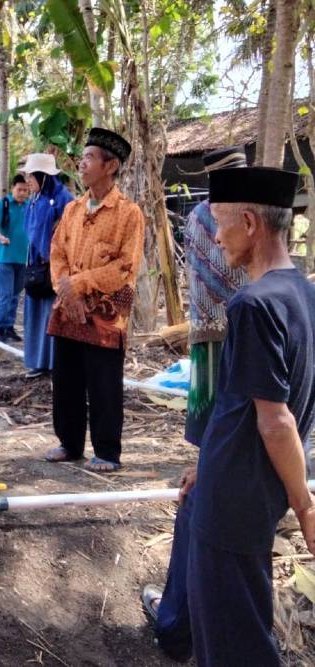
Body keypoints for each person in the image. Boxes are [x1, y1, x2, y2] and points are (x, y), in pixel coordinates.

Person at [142, 166, 315, 666]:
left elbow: (275, 420)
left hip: (236, 501)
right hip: (240, 486)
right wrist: (209, 466)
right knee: (226, 619)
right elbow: (245, 408)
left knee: (236, 642)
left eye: (219, 224)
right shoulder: (301, 295)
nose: (215, 238)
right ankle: (172, 629)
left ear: (249, 222)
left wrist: (304, 506)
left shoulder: (253, 305)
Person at [44, 128, 145, 473]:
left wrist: (80, 284)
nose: (82, 164)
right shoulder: (72, 210)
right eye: (83, 157)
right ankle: (69, 444)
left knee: (104, 383)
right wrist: (64, 288)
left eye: (89, 158)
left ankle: (106, 452)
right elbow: (56, 253)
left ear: (111, 165)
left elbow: (125, 265)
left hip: (105, 313)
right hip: (68, 308)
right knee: (67, 380)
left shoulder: (129, 214)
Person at [182, 147, 250, 446]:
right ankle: (222, 447)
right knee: (230, 387)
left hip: (208, 318)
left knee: (217, 387)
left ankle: (214, 446)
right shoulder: (237, 214)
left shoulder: (198, 213)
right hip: (235, 315)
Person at [21, 153, 73, 378]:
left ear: (43, 176)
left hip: (55, 267)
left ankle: (55, 363)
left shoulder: (64, 199)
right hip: (35, 266)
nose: (28, 180)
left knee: (53, 314)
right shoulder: (34, 200)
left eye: (31, 176)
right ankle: (37, 362)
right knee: (36, 313)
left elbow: (69, 233)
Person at [0, 174, 31, 343]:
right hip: (5, 257)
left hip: (23, 258)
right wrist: (0, 238)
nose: (22, 193)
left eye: (25, 190)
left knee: (15, 295)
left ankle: (9, 327)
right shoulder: (3, 205)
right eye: (19, 189)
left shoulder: (29, 206)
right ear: (12, 188)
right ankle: (0, 328)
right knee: (5, 294)